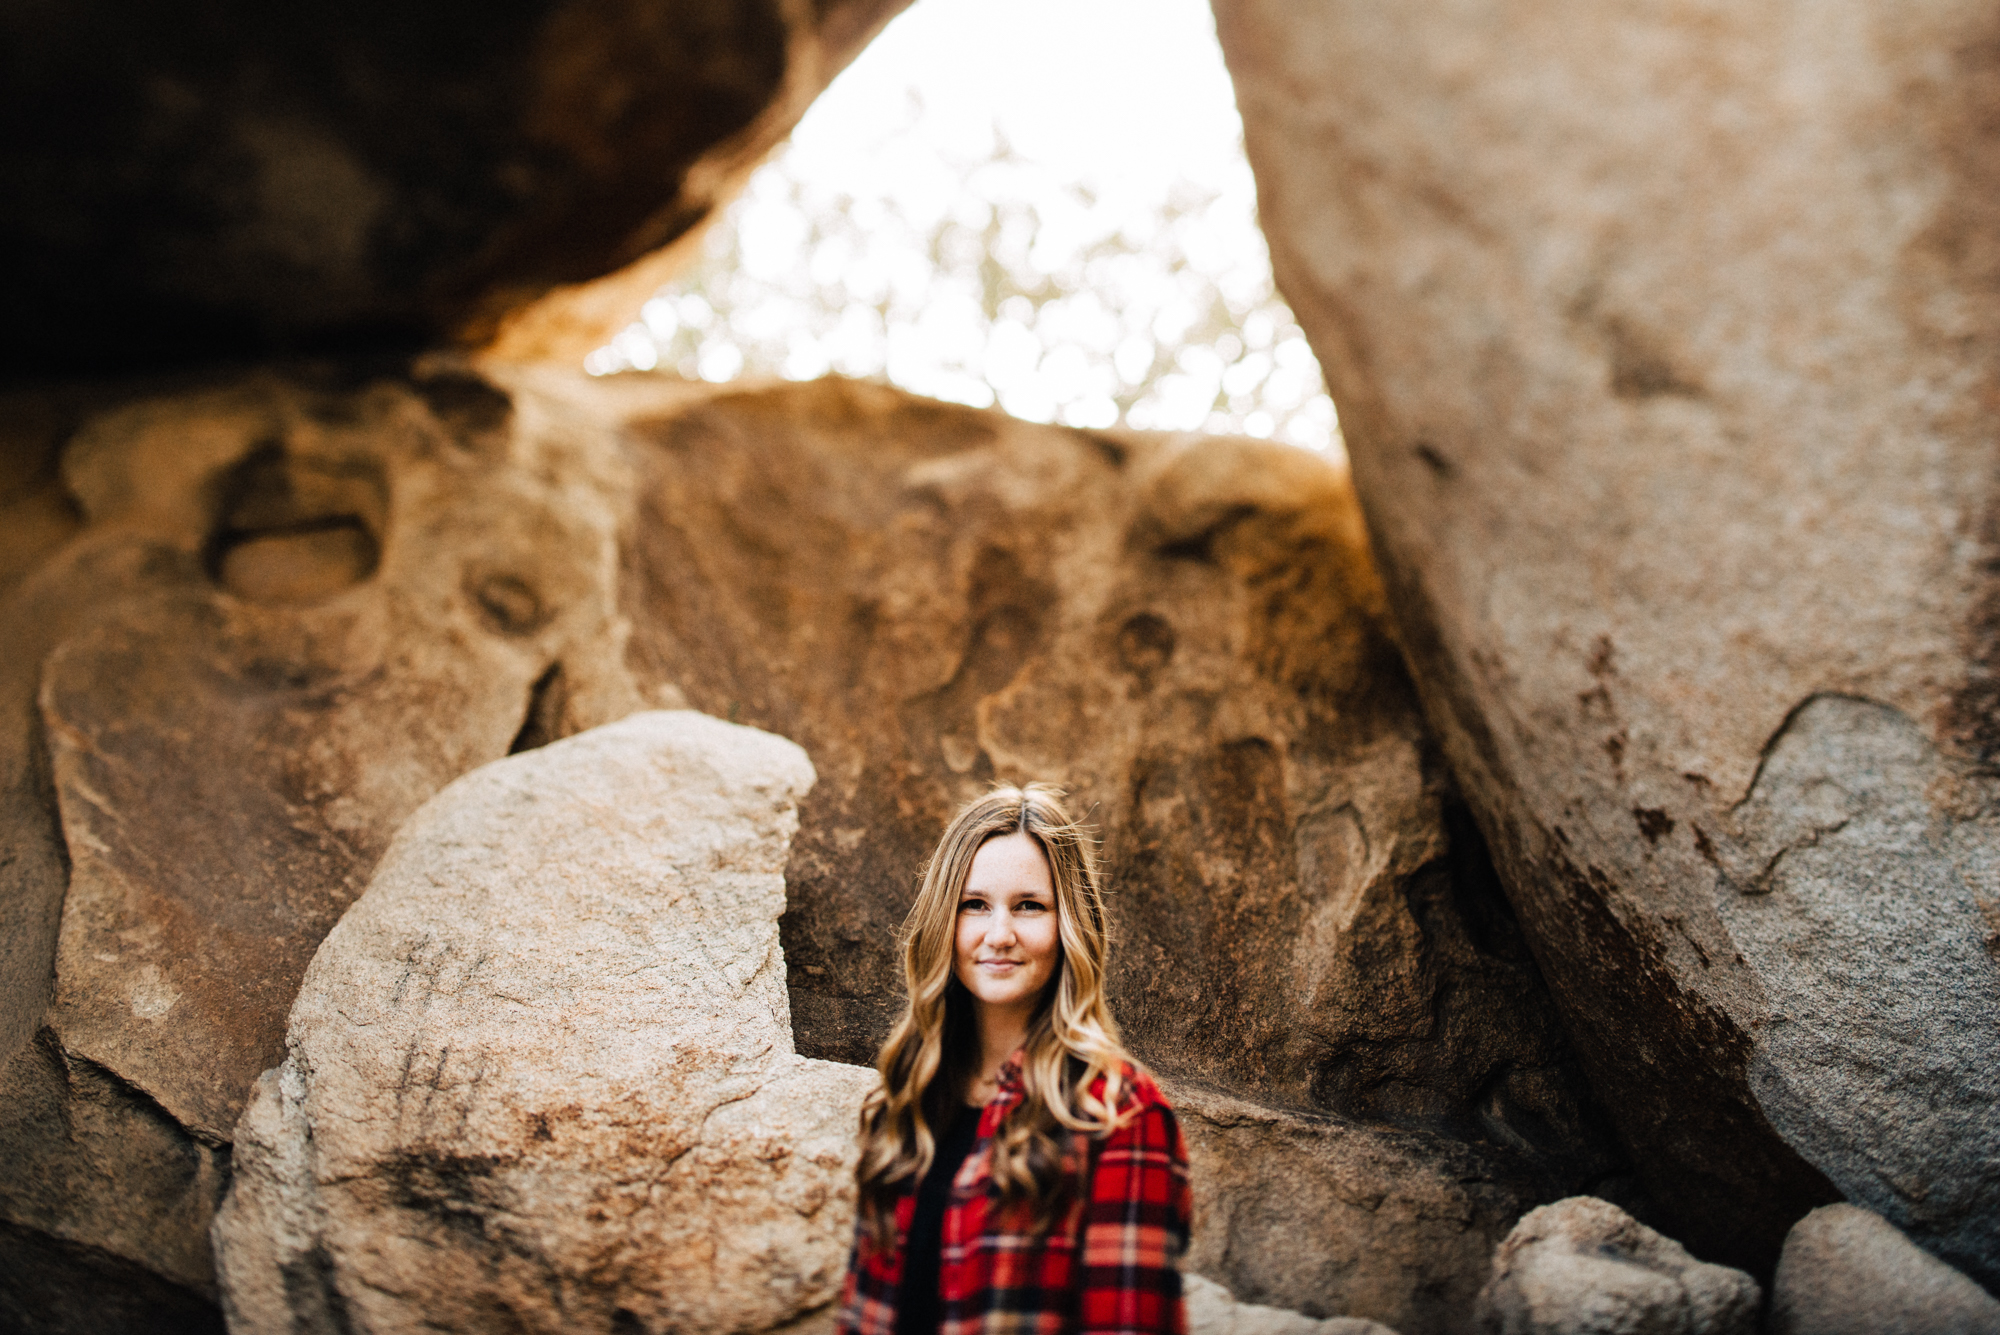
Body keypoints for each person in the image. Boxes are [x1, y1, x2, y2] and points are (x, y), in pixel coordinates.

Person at [837, 784, 1192, 1335]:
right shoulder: (903, 1101)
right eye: (974, 905)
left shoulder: (1119, 1117)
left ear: (1069, 925)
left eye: (1029, 906)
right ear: (944, 922)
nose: (998, 935)